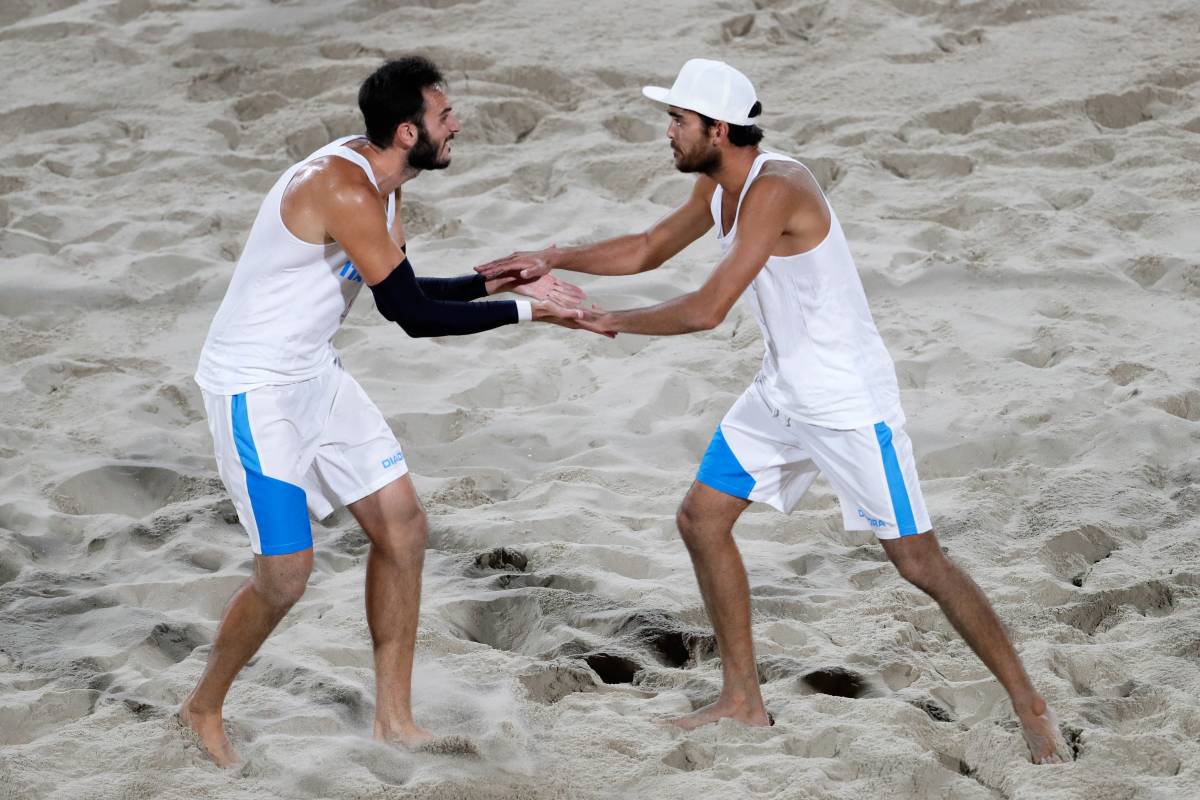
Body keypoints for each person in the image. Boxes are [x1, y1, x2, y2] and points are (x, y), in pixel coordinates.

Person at [476, 58, 1068, 764]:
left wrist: (598, 322)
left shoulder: (777, 188)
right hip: (783, 392)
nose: (667, 132)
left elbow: (706, 310)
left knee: (918, 561)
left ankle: (1031, 706)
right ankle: (743, 700)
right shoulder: (718, 185)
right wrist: (550, 257)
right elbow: (647, 247)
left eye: (678, 120)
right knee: (701, 518)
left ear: (718, 129)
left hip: (847, 403)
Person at [184, 55, 595, 767]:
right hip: (256, 390)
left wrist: (496, 276)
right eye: (444, 116)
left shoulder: (385, 184)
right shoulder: (342, 189)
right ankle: (202, 706)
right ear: (408, 132)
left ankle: (395, 720)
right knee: (285, 576)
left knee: (403, 527)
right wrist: (529, 310)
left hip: (315, 373)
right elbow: (409, 316)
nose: (457, 123)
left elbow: (407, 286)